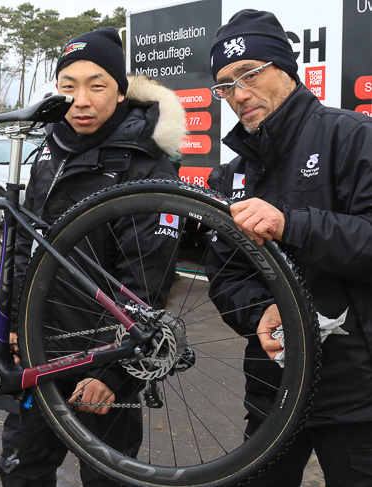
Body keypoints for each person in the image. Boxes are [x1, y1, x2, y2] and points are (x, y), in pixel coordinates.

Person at [0, 27, 186, 486]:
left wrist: (115, 374)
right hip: (40, 358)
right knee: (21, 471)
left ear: (120, 91)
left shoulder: (146, 161)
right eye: (68, 86)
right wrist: (16, 328)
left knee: (107, 479)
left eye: (97, 85)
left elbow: (147, 281)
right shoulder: (48, 149)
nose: (81, 100)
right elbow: (24, 248)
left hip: (102, 365)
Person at [205, 9, 372, 486]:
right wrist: (257, 313)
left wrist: (290, 224)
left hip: (358, 400)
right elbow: (225, 276)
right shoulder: (231, 174)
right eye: (225, 85)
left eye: (249, 74)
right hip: (272, 396)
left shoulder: (353, 137)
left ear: (286, 69)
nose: (238, 95)